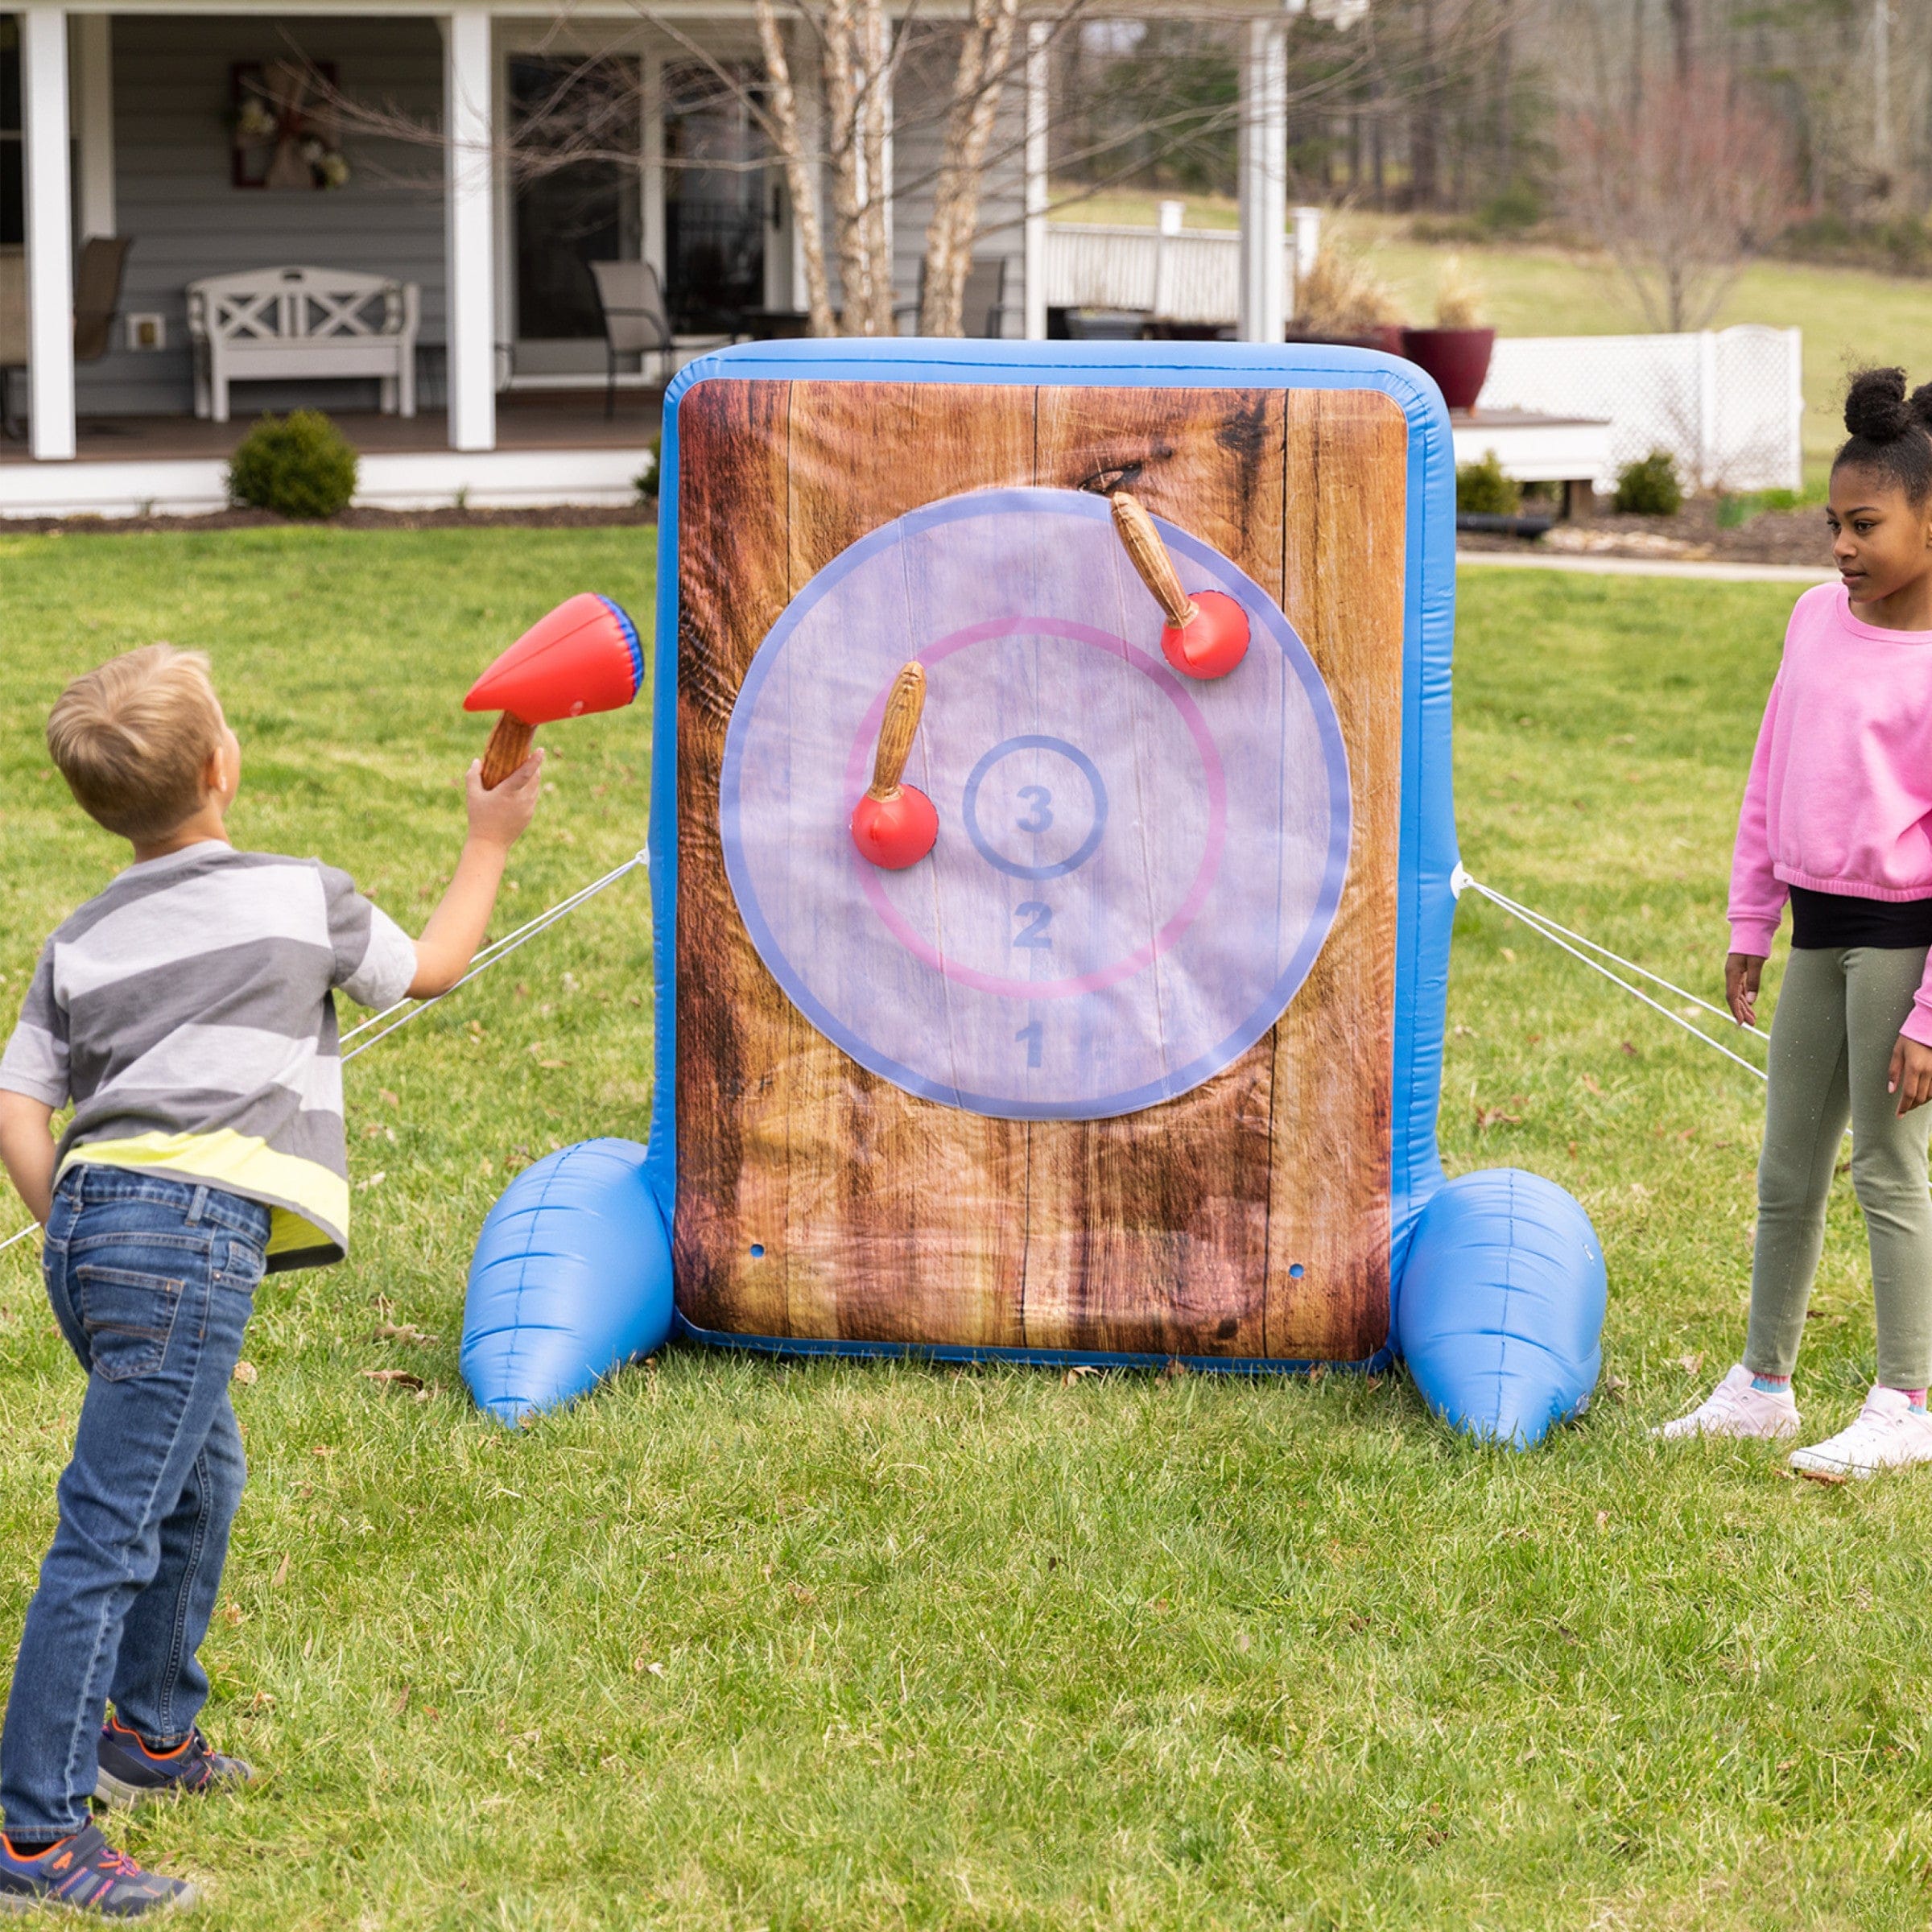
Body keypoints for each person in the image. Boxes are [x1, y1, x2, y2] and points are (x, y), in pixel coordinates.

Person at [0, 645, 541, 1912]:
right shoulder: (299, 896)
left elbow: (20, 1106)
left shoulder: (80, 938)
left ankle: (148, 1734)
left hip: (91, 1237)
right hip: (187, 1239)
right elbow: (435, 967)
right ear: (223, 768)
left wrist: (77, 1215)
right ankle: (33, 1832)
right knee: (113, 1527)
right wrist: (491, 838)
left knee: (202, 1474)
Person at [1657, 368, 1932, 1479]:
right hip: (1816, 931)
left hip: (1905, 941)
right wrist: (1748, 921)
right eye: (1833, 524)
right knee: (1786, 1170)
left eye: (1865, 525)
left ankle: (1906, 1399)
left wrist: (1928, 1015)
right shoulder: (1814, 621)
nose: (1840, 547)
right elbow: (1772, 777)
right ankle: (1762, 1386)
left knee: (1885, 1170)